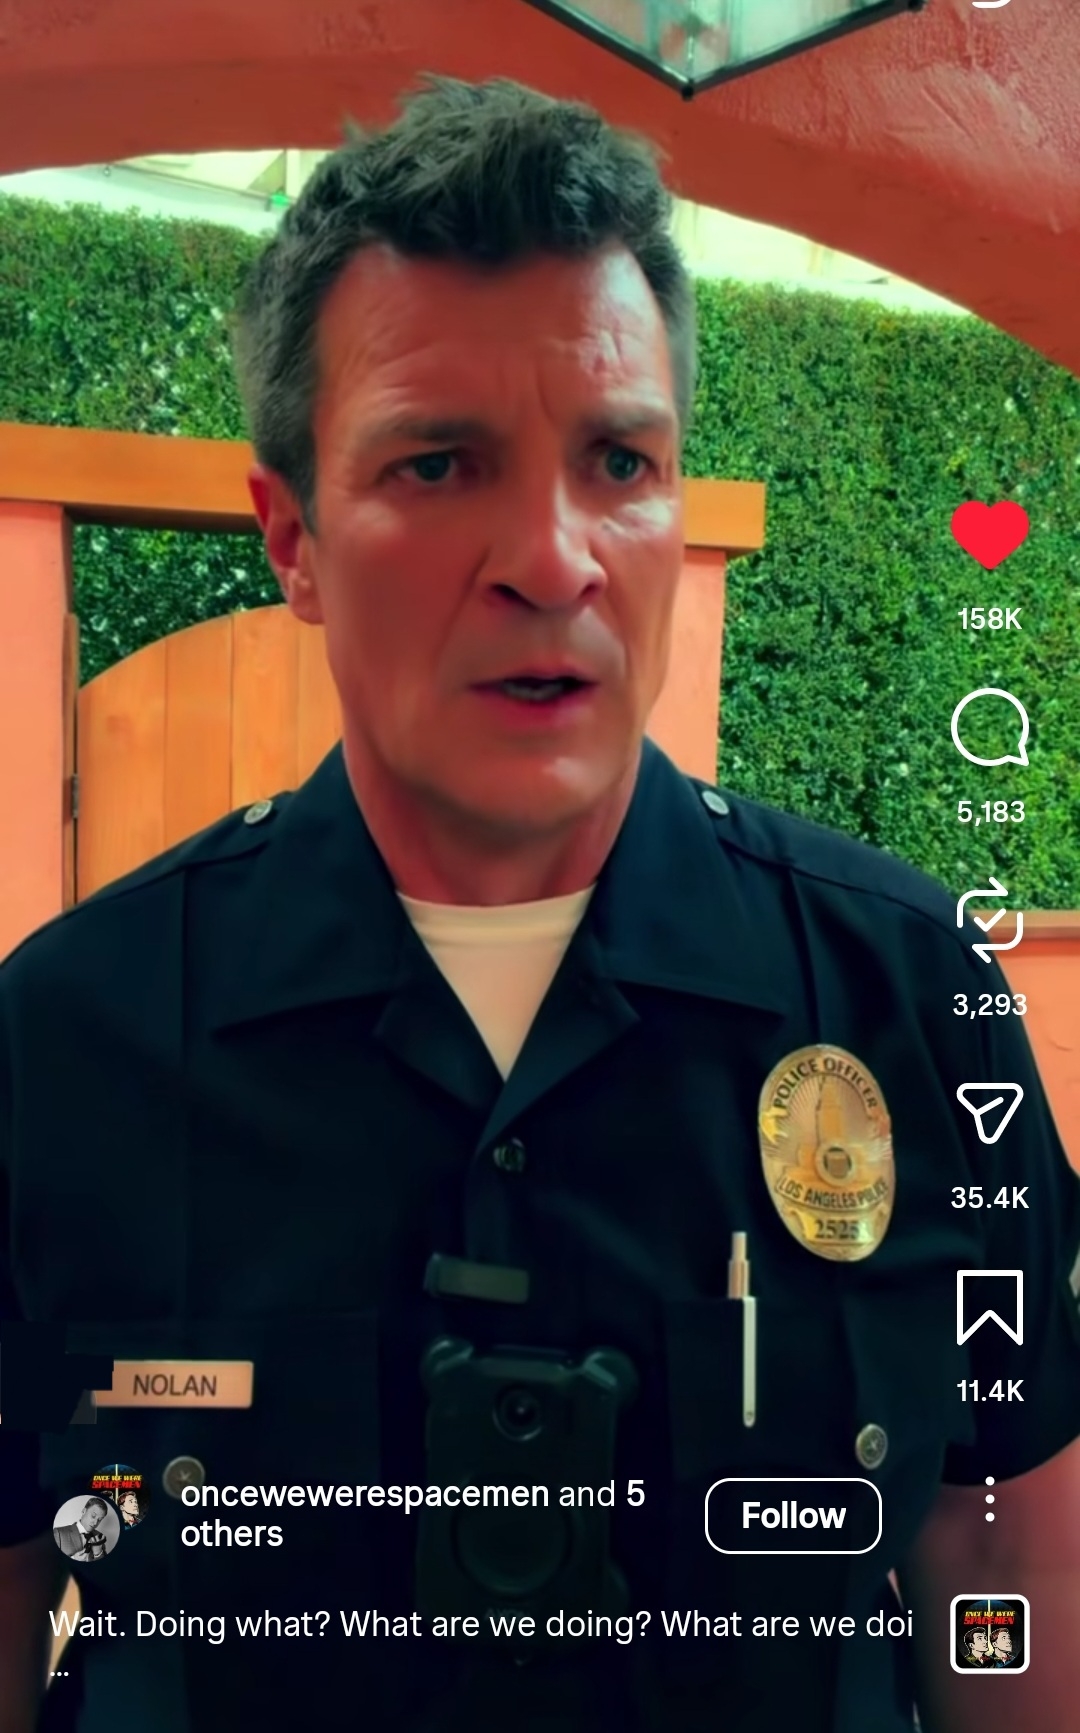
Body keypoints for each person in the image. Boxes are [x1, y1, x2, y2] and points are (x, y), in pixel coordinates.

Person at [1, 70, 1079, 1733]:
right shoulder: (67, 1040)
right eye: (440, 464)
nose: (552, 556)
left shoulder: (911, 999)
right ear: (291, 537)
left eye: (619, 460)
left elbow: (1007, 1548)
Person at [51, 1500, 109, 1565]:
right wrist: (73, 1559)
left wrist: (98, 1554)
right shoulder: (58, 1533)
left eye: (99, 1519)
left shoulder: (99, 1537)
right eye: (93, 1516)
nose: (95, 1523)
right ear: (84, 1511)